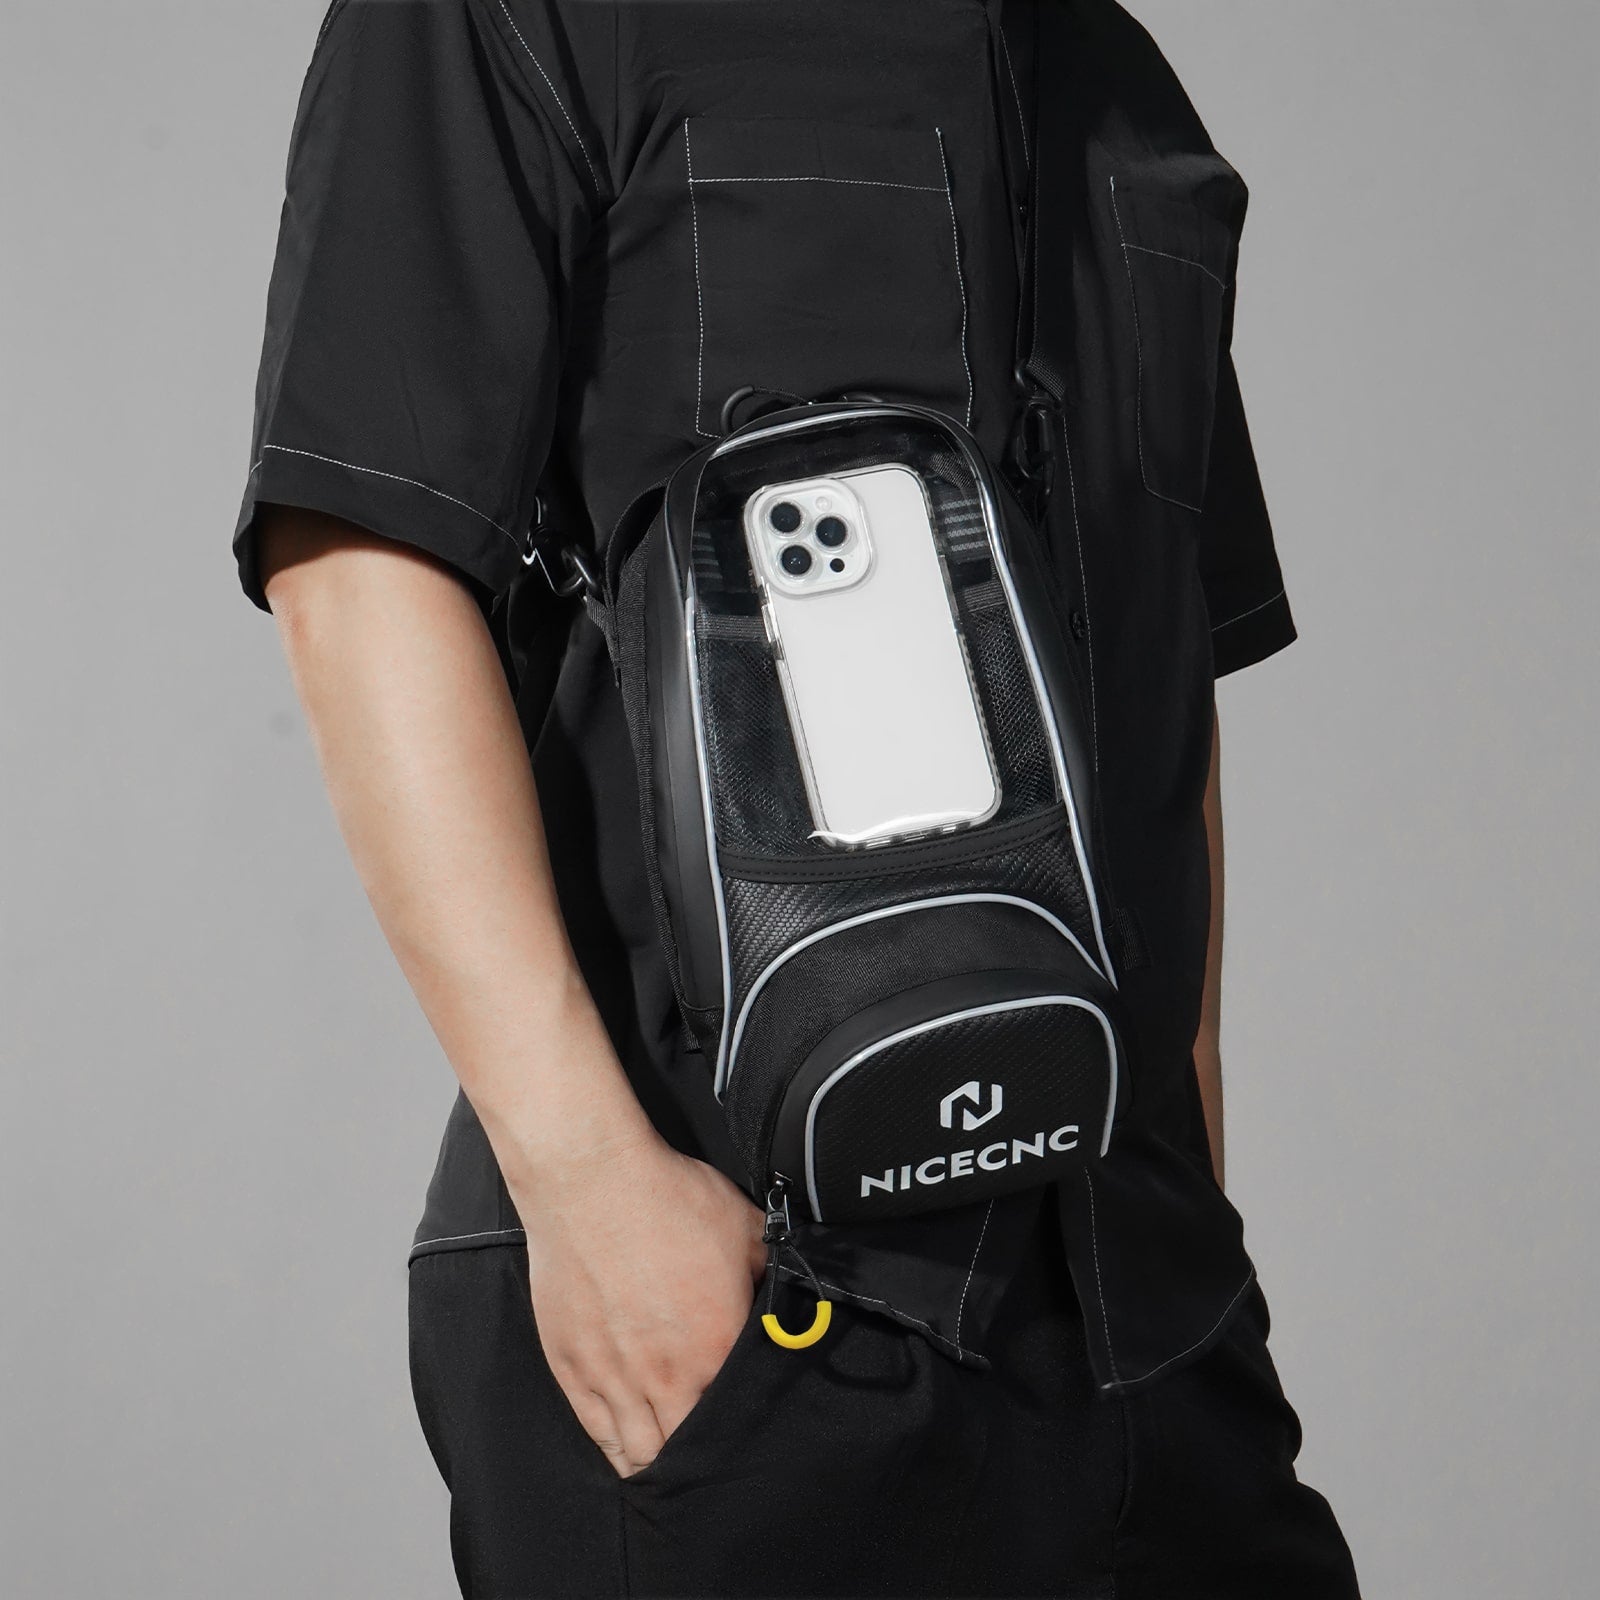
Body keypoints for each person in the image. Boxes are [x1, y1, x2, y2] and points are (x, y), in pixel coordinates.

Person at [234, 2, 1360, 1595]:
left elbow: (1168, 675)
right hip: (754, 1295)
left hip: (1149, 1318)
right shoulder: (515, 17)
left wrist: (1192, 1188)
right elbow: (361, 560)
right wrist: (590, 1190)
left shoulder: (1121, 90)